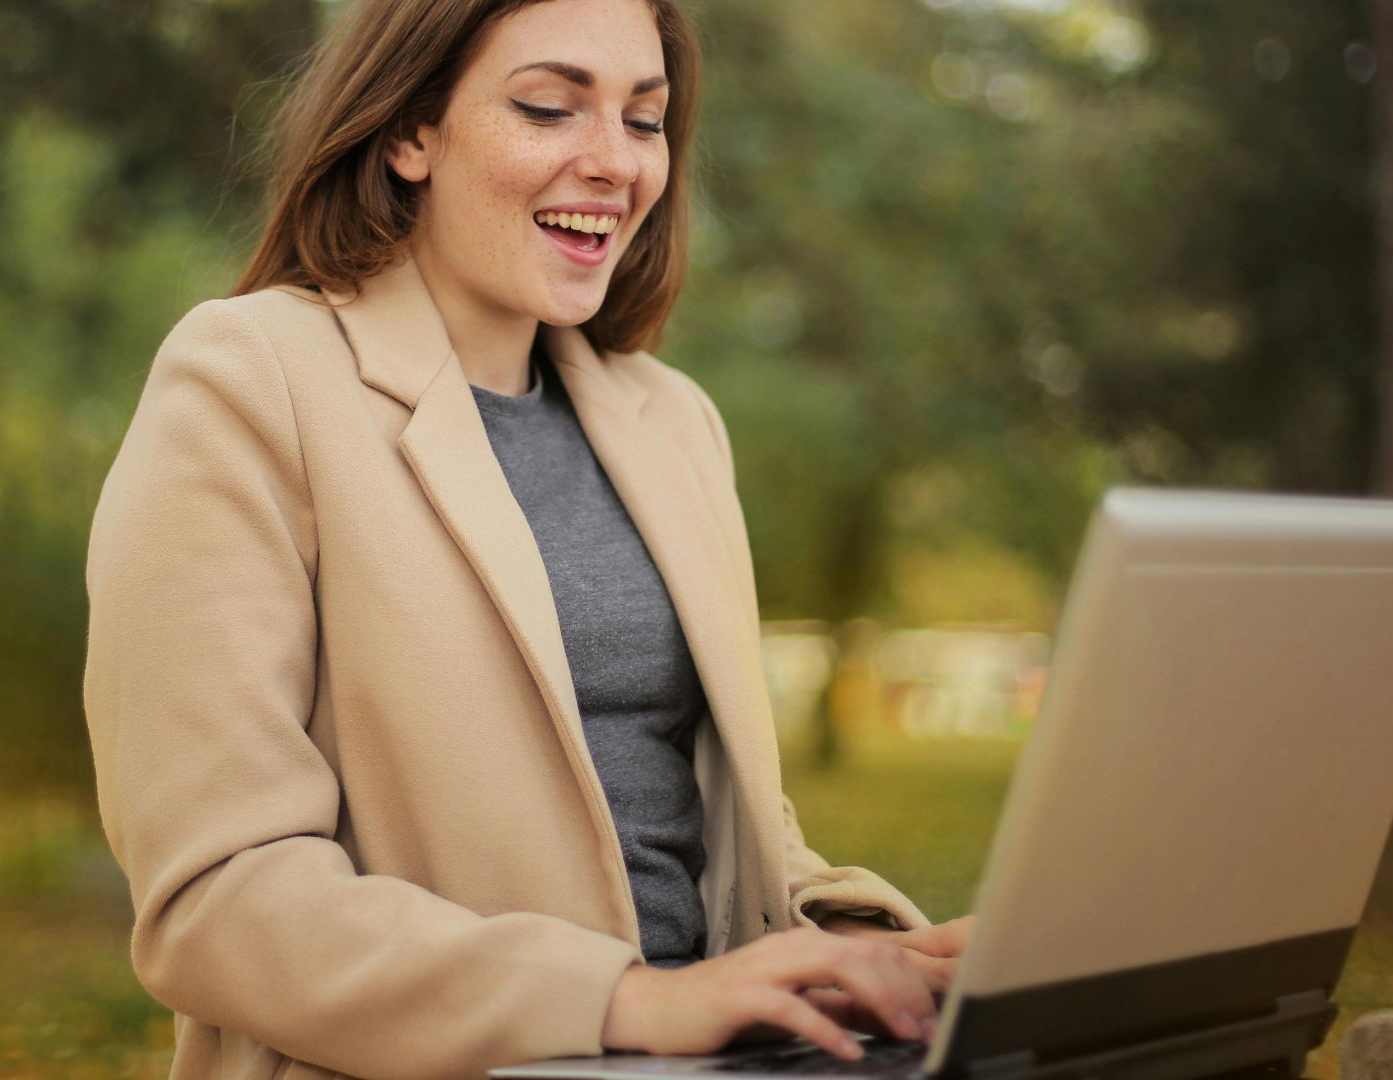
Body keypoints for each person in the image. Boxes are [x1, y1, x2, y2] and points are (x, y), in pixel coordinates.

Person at [81, 1, 973, 1077]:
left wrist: (867, 951)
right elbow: (219, 898)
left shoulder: (673, 423)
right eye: (549, 107)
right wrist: (628, 1001)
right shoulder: (249, 380)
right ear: (412, 132)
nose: (614, 163)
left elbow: (731, 836)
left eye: (644, 121)